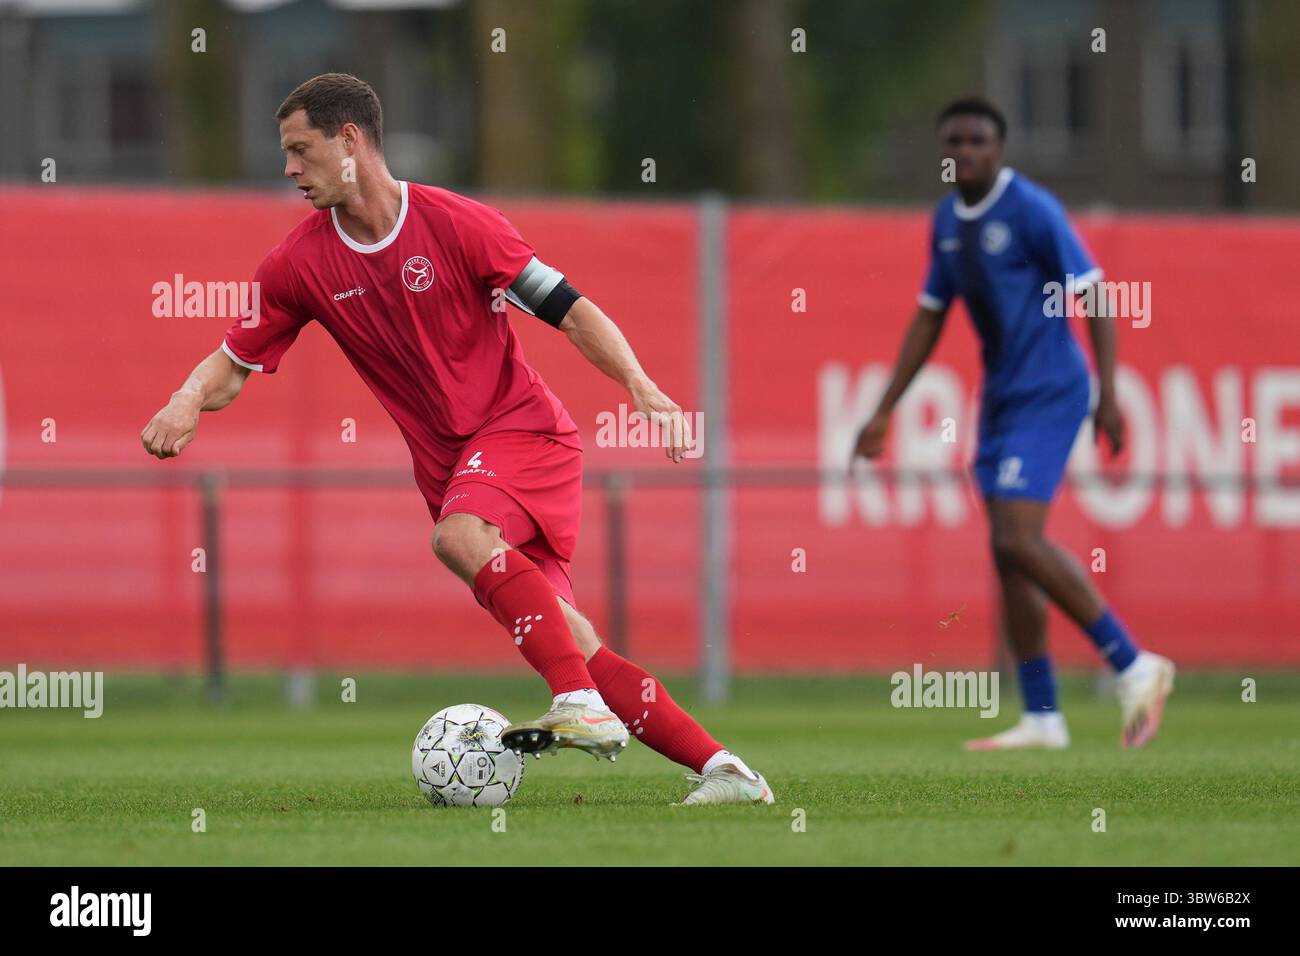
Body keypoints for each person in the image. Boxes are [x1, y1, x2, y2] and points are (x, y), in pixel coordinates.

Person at [141, 73, 772, 804]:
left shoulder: (459, 224)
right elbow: (234, 362)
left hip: (522, 431)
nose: (288, 169)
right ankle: (726, 771)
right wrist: (186, 401)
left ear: (350, 142)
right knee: (577, 644)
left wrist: (641, 388)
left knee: (457, 540)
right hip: (452, 471)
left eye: (299, 149)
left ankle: (577, 704)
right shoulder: (297, 266)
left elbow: (571, 311)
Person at [852, 97, 1174, 750]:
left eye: (977, 140)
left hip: (1051, 391)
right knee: (1006, 552)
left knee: (1021, 539)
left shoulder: (1031, 210)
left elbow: (1096, 292)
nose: (964, 151)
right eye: (953, 142)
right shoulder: (946, 221)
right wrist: (884, 408)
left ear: (999, 149)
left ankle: (1134, 663)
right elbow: (929, 316)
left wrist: (1108, 394)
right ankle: (1043, 717)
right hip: (1001, 398)